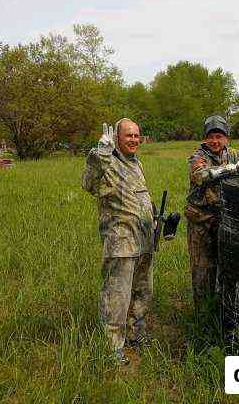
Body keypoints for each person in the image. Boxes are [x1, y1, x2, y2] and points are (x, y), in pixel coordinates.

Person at [81, 119, 155, 365]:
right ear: (116, 138)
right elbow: (87, 184)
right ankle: (112, 350)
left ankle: (136, 335)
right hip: (121, 241)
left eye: (136, 135)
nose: (134, 140)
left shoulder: (136, 163)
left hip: (144, 240)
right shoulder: (107, 161)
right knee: (117, 297)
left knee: (142, 292)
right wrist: (98, 156)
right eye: (128, 136)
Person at [185, 115, 239, 312]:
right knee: (202, 270)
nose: (215, 141)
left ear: (227, 138)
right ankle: (203, 315)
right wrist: (230, 169)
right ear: (205, 138)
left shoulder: (236, 154)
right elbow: (201, 176)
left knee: (227, 267)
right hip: (201, 221)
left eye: (219, 137)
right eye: (211, 137)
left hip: (226, 220)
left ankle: (225, 312)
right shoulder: (198, 156)